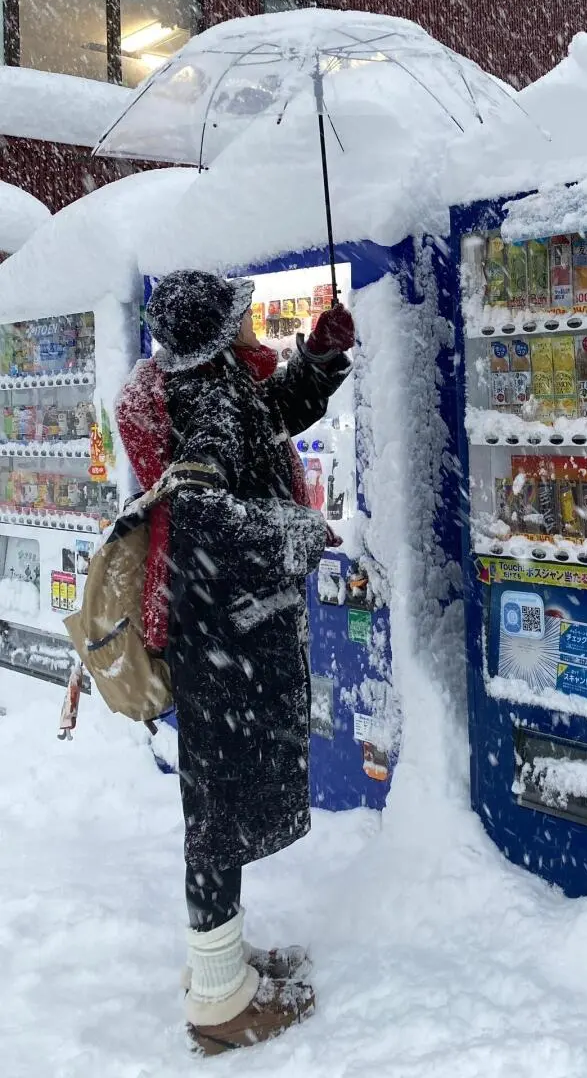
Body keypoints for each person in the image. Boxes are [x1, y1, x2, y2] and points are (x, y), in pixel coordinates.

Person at [116, 270, 354, 1055]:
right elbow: (204, 511)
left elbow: (273, 418)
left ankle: (224, 963)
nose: (253, 324)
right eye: (241, 316)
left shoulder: (210, 386)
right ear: (218, 334)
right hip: (227, 635)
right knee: (219, 818)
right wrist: (295, 532)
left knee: (221, 805)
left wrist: (317, 362)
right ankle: (219, 1000)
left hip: (220, 632)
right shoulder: (211, 398)